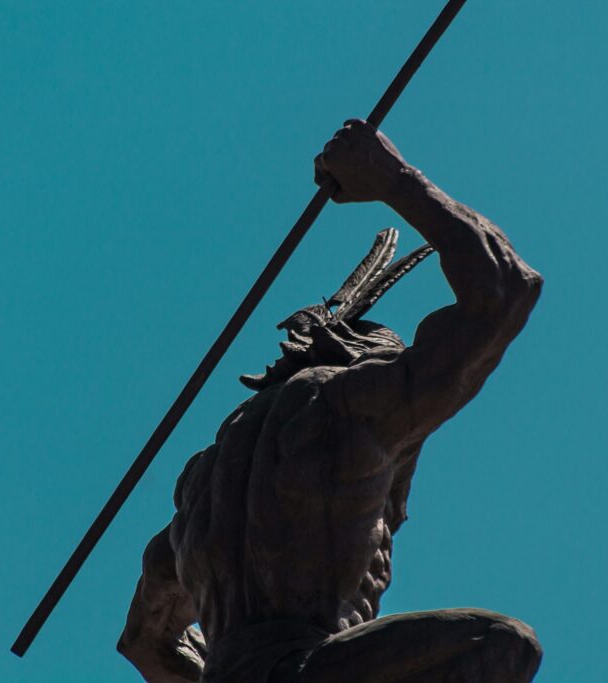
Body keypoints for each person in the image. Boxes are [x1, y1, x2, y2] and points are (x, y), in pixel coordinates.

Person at [117, 120, 544, 683]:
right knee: (503, 644)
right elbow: (505, 289)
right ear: (367, 359)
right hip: (307, 664)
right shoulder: (351, 409)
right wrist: (394, 178)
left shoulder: (199, 488)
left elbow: (144, 644)